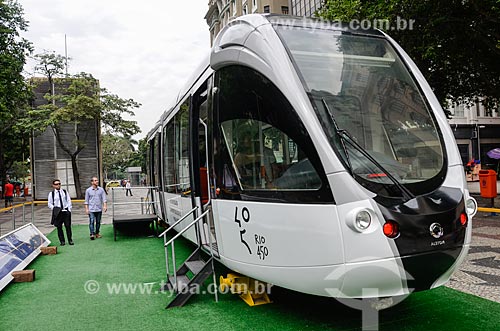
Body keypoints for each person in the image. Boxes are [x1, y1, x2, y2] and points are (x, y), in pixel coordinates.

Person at [48, 179, 73, 246]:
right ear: (53, 185)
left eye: (59, 184)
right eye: (56, 184)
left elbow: (68, 200)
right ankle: (62, 241)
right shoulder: (52, 194)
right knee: (59, 227)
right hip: (58, 213)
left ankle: (70, 239)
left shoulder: (64, 192)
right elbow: (49, 203)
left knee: (68, 226)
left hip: (65, 211)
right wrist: (55, 209)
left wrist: (69, 209)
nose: (58, 185)